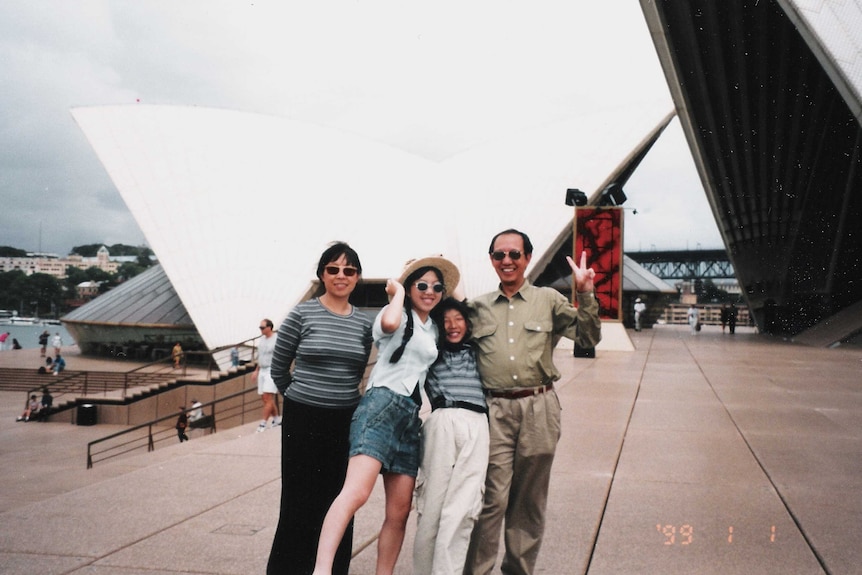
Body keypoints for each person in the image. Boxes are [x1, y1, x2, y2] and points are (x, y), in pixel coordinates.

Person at [464, 228, 601, 575]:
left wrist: (585, 294)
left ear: (527, 258)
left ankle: (518, 570)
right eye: (499, 255)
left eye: (514, 254)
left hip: (539, 409)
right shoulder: (476, 308)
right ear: (492, 260)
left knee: (529, 502)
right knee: (490, 499)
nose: (507, 261)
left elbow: (587, 336)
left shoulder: (549, 300)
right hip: (493, 411)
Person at [311, 255, 459, 575]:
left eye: (437, 287)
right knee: (356, 493)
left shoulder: (434, 327)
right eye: (422, 285)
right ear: (409, 287)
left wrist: (444, 293)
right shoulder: (397, 314)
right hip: (381, 406)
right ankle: (321, 570)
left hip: (410, 418)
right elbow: (389, 324)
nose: (429, 291)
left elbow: (463, 315)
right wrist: (399, 294)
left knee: (399, 511)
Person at [266, 242, 374, 575]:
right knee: (298, 500)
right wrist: (302, 398)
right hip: (303, 417)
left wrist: (338, 399)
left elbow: (357, 373)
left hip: (344, 419)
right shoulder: (302, 314)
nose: (341, 276)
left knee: (337, 498)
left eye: (349, 270)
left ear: (357, 278)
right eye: (333, 269)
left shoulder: (364, 323)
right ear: (322, 274)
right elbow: (279, 370)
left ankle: (330, 569)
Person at [413, 297, 489, 575]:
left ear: (468, 324)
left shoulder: (480, 351)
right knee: (432, 504)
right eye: (445, 321)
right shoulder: (431, 351)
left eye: (458, 319)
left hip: (477, 422)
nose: (452, 326)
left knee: (463, 507)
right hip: (442, 420)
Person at [253, 319, 280, 432]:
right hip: (262, 369)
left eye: (262, 328)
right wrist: (256, 370)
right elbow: (260, 356)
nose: (261, 330)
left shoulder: (277, 339)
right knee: (264, 398)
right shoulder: (262, 340)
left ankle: (263, 423)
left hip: (271, 369)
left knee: (268, 396)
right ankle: (277, 419)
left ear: (269, 327)